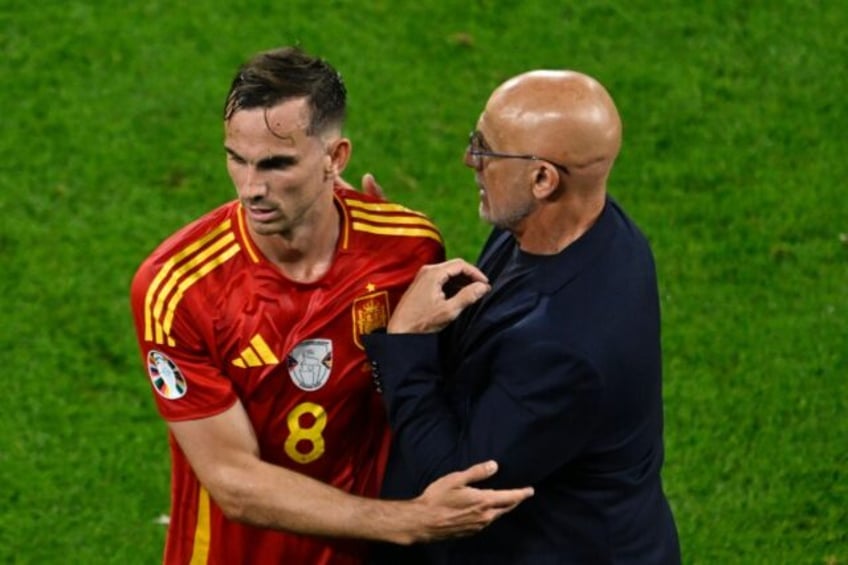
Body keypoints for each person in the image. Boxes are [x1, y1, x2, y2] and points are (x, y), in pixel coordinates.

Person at [130, 46, 533, 565]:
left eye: (277, 164)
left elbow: (425, 392)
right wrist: (409, 522)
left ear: (335, 158)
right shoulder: (178, 288)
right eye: (237, 158)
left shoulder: (408, 249)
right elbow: (233, 481)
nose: (251, 188)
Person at [364, 70, 682, 563]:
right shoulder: (571, 227)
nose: (469, 159)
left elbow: (455, 481)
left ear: (542, 179)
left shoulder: (566, 345)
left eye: (485, 151)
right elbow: (481, 344)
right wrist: (394, 261)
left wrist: (405, 339)